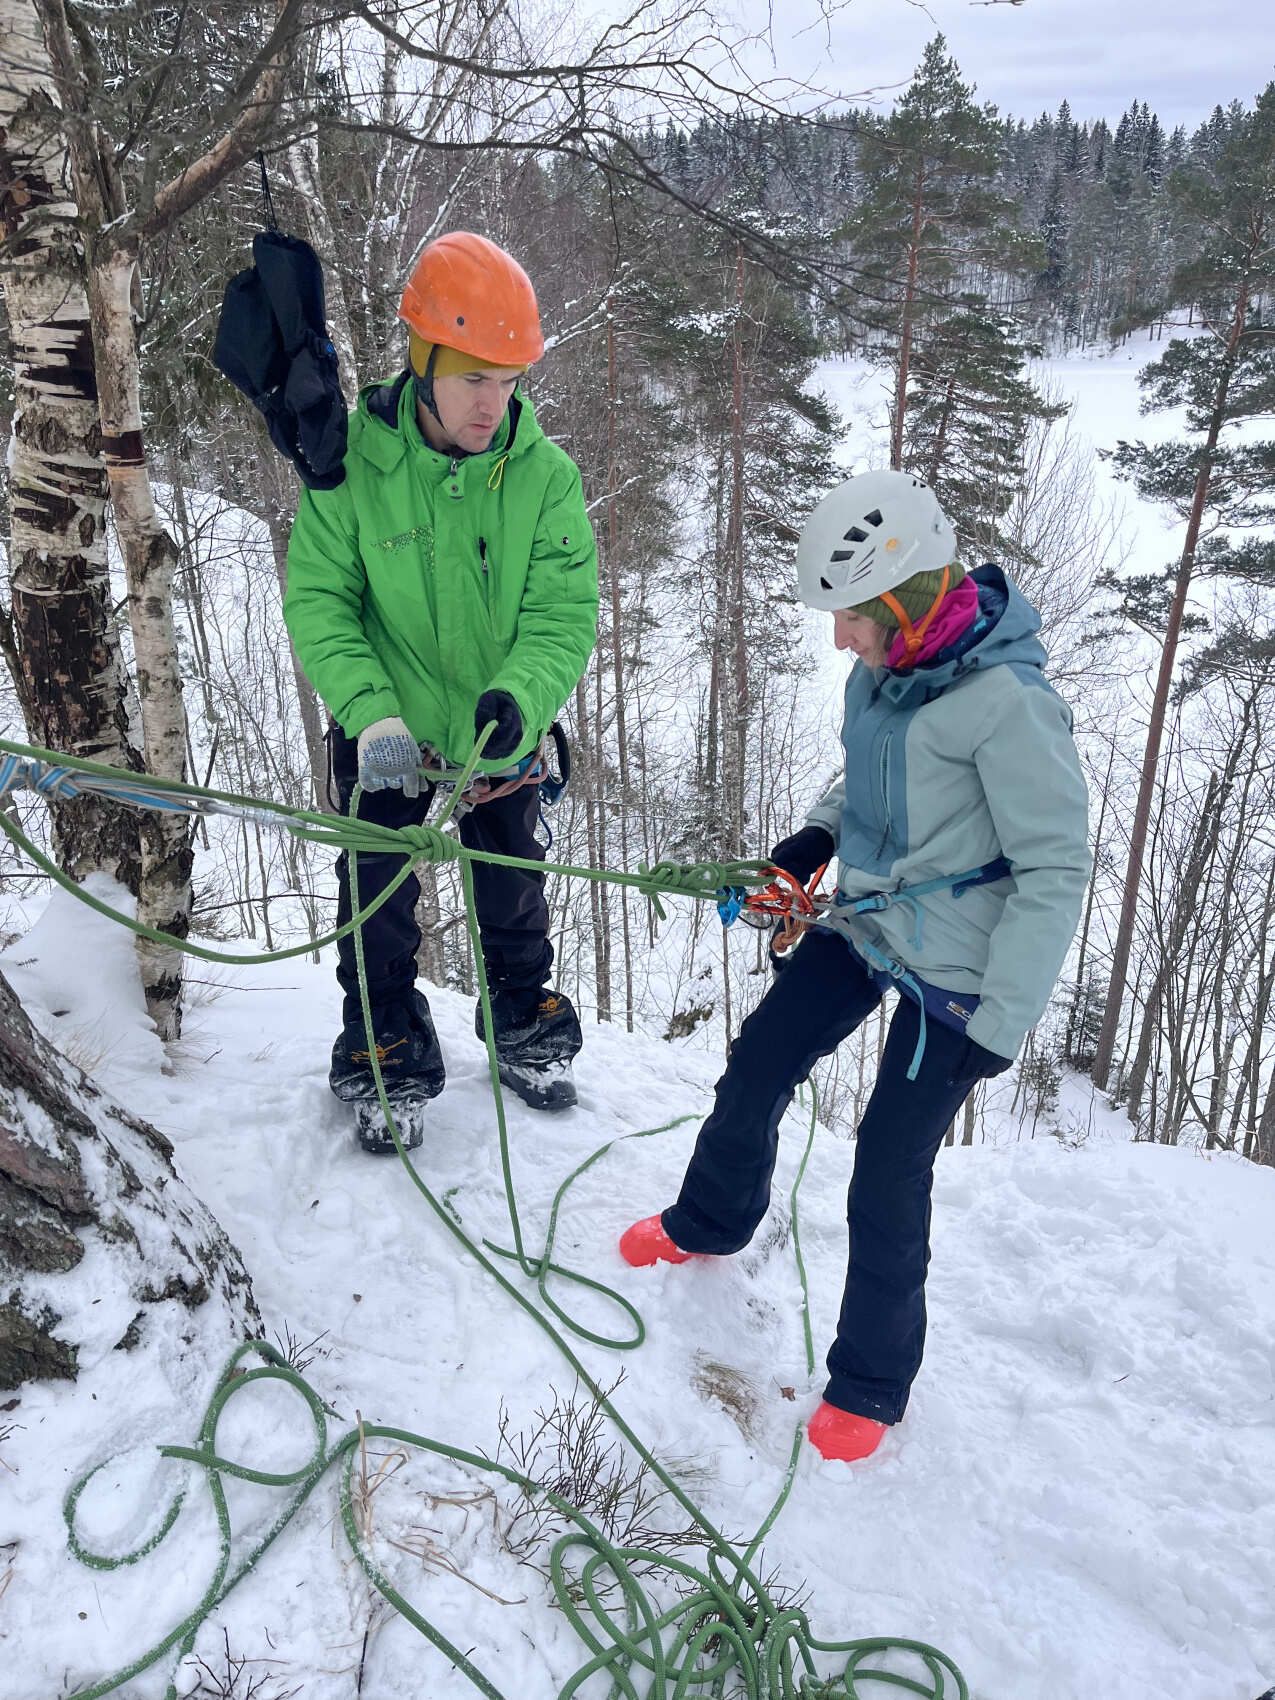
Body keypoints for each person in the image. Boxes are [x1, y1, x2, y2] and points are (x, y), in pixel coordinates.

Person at [620, 470, 1091, 1461]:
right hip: (872, 919)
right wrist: (805, 848)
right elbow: (863, 779)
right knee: (758, 1059)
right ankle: (710, 1217)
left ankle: (872, 1383)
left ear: (908, 601)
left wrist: (997, 1022)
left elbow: (1056, 867)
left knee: (886, 1162)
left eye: (852, 617)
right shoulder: (882, 673)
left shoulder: (1010, 705)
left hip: (959, 975)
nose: (840, 639)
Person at [284, 232, 599, 1145]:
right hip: (389, 730)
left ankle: (525, 1024)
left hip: (499, 731)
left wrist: (521, 699)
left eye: (507, 382)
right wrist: (369, 713)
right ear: (422, 364)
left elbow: (561, 612)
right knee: (375, 897)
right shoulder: (350, 474)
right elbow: (321, 603)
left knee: (512, 886)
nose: (491, 405)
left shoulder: (543, 477)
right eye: (472, 380)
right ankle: (385, 1046)